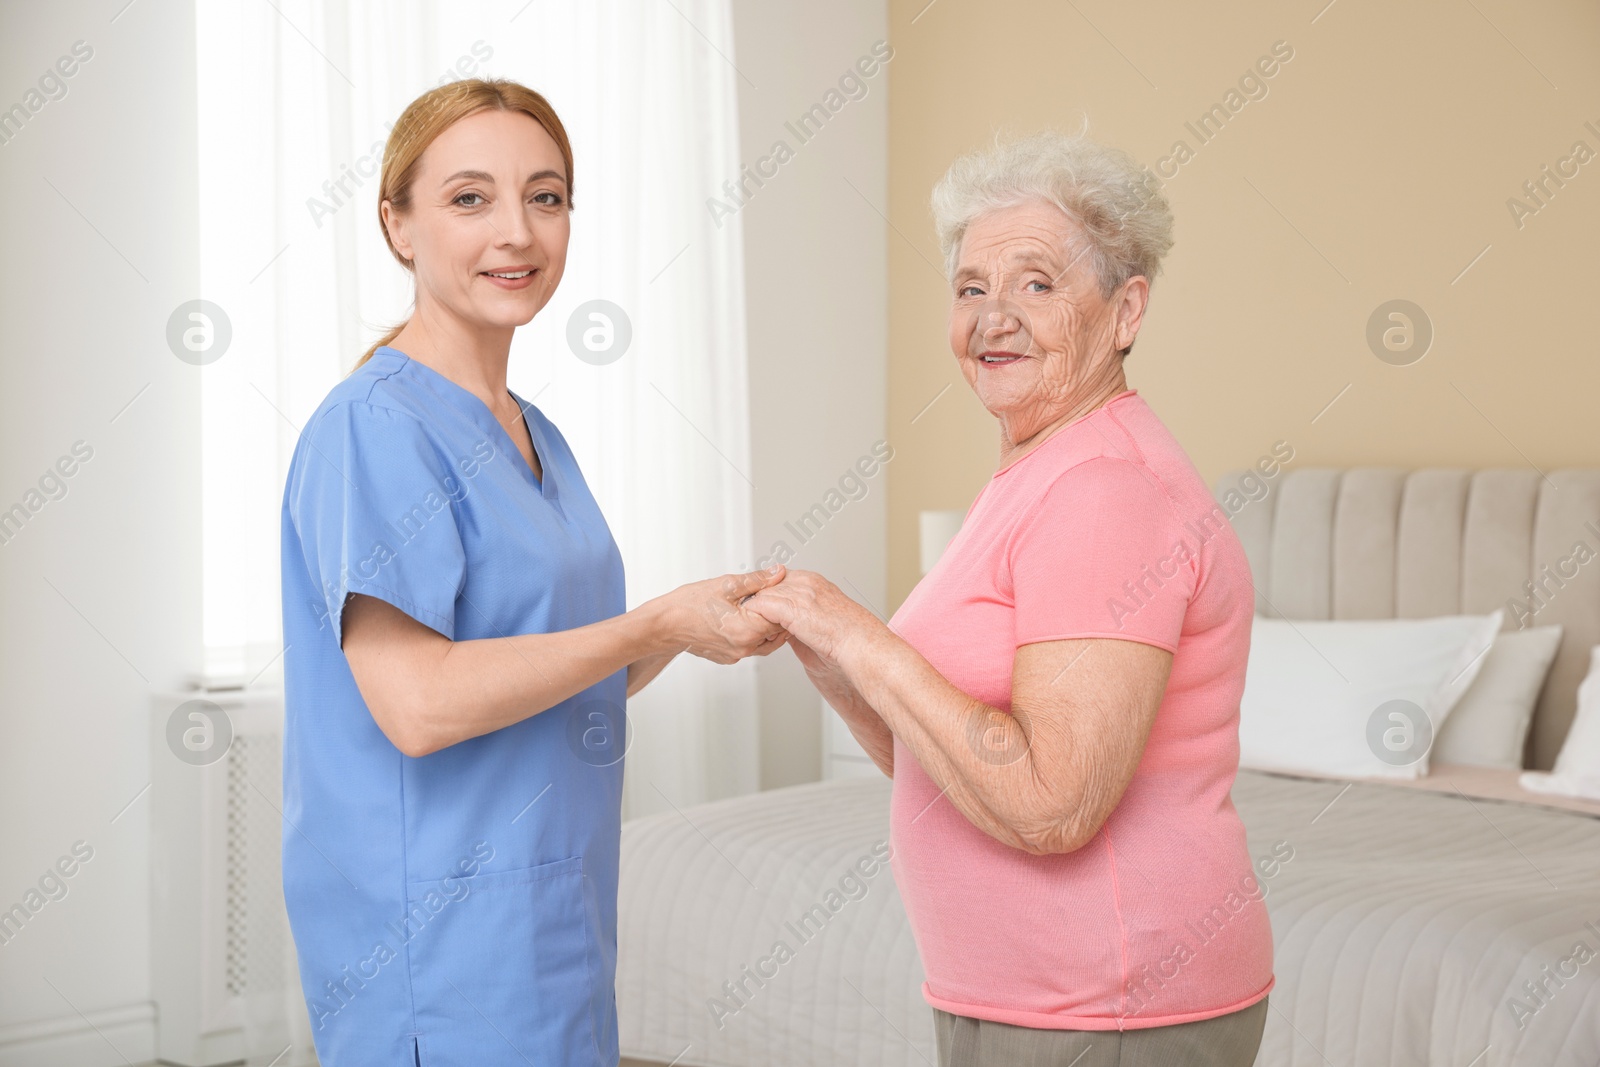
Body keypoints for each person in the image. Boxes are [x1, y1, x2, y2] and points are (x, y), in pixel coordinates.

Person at [278, 78, 785, 1066]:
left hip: (551, 923)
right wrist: (651, 624)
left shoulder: (535, 433)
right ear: (399, 225)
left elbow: (558, 666)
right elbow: (419, 703)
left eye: (545, 196)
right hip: (437, 945)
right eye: (470, 198)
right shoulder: (372, 427)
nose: (516, 230)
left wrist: (685, 628)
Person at [745, 129, 1274, 1066]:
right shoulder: (1038, 472)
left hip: (1107, 1003)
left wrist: (857, 631)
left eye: (1037, 282)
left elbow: (1051, 805)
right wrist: (827, 652)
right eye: (970, 288)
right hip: (1028, 996)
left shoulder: (1105, 490)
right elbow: (944, 765)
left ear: (1125, 308)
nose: (995, 317)